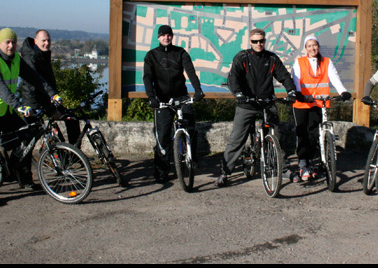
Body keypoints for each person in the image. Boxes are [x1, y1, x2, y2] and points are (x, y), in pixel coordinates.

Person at [0, 28, 60, 207]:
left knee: (27, 135)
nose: (11, 46)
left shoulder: (16, 59)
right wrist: (19, 106)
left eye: (13, 42)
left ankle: (15, 172)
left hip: (3, 110)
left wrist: (52, 94)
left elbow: (35, 78)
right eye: (7, 42)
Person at [215, 28, 297, 187]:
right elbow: (233, 77)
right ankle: (225, 172)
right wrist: (238, 93)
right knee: (237, 138)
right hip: (247, 104)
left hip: (267, 103)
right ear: (250, 42)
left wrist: (291, 90)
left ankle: (284, 169)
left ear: (265, 41)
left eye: (261, 41)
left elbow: (284, 76)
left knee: (277, 136)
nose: (259, 44)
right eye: (255, 41)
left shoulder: (272, 58)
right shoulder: (242, 57)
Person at [143, 25, 205, 183]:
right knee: (162, 136)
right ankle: (161, 171)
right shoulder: (151, 55)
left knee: (191, 128)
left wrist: (198, 91)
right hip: (162, 100)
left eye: (169, 35)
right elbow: (147, 77)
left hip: (181, 97)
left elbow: (190, 72)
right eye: (163, 35)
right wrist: (152, 97)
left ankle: (193, 158)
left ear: (172, 37)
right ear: (158, 37)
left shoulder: (180, 53)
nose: (166, 38)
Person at [291, 35, 351, 181]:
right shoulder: (299, 62)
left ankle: (312, 161)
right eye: (309, 46)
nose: (312, 48)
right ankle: (303, 163)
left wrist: (343, 91)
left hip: (319, 102)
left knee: (313, 133)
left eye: (315, 45)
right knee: (302, 133)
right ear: (306, 48)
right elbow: (296, 79)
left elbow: (334, 77)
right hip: (302, 103)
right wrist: (299, 93)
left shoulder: (326, 62)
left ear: (318, 46)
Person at [19, 29, 80, 145]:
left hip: (47, 99)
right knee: (29, 139)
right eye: (43, 41)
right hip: (33, 101)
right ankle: (23, 162)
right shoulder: (31, 56)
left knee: (71, 119)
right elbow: (36, 83)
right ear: (36, 41)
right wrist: (51, 106)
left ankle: (73, 154)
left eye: (49, 40)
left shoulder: (44, 53)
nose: (47, 43)